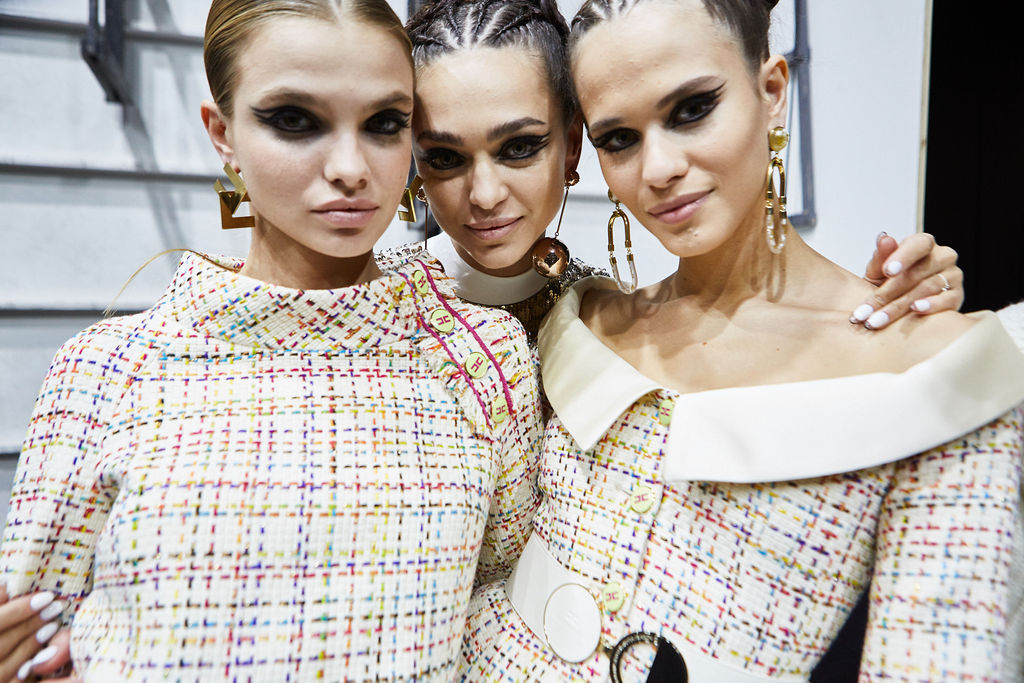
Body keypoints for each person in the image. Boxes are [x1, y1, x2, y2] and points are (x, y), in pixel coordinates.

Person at [460, 0, 1024, 681]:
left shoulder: (933, 373)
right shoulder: (580, 319)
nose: (658, 168)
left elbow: (939, 659)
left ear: (772, 91)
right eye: (619, 138)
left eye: (692, 109)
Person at [0, 0, 541, 680]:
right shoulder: (106, 370)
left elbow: (504, 609)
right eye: (294, 120)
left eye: (384, 123)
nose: (350, 167)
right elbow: (30, 637)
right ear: (221, 133)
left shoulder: (481, 358)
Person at [384, 0, 964, 344]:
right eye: (444, 157)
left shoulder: (590, 311)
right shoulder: (374, 303)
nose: (485, 195)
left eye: (519, 147)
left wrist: (902, 301)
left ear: (571, 150)